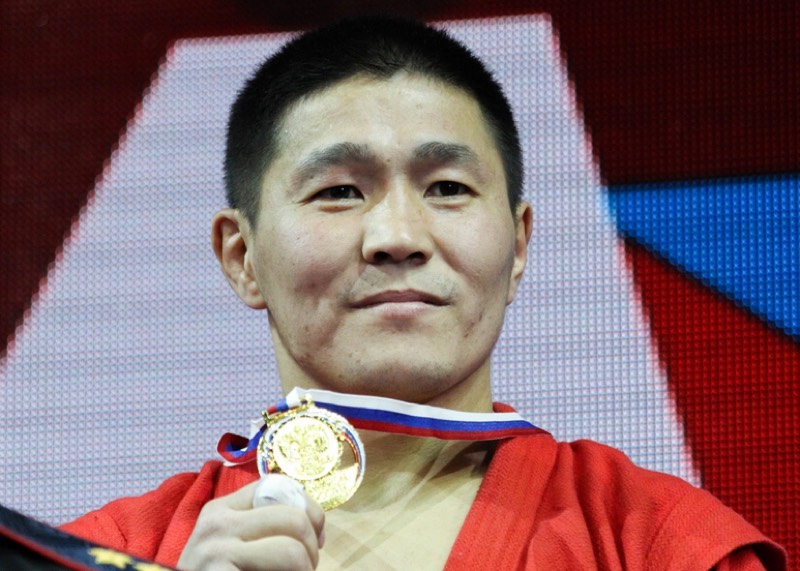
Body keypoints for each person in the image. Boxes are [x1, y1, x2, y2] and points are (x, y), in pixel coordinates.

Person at [62, 15, 786, 570]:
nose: (398, 235)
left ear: (519, 244)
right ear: (241, 255)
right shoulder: (105, 553)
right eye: (339, 191)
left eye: (447, 187)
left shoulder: (659, 544)